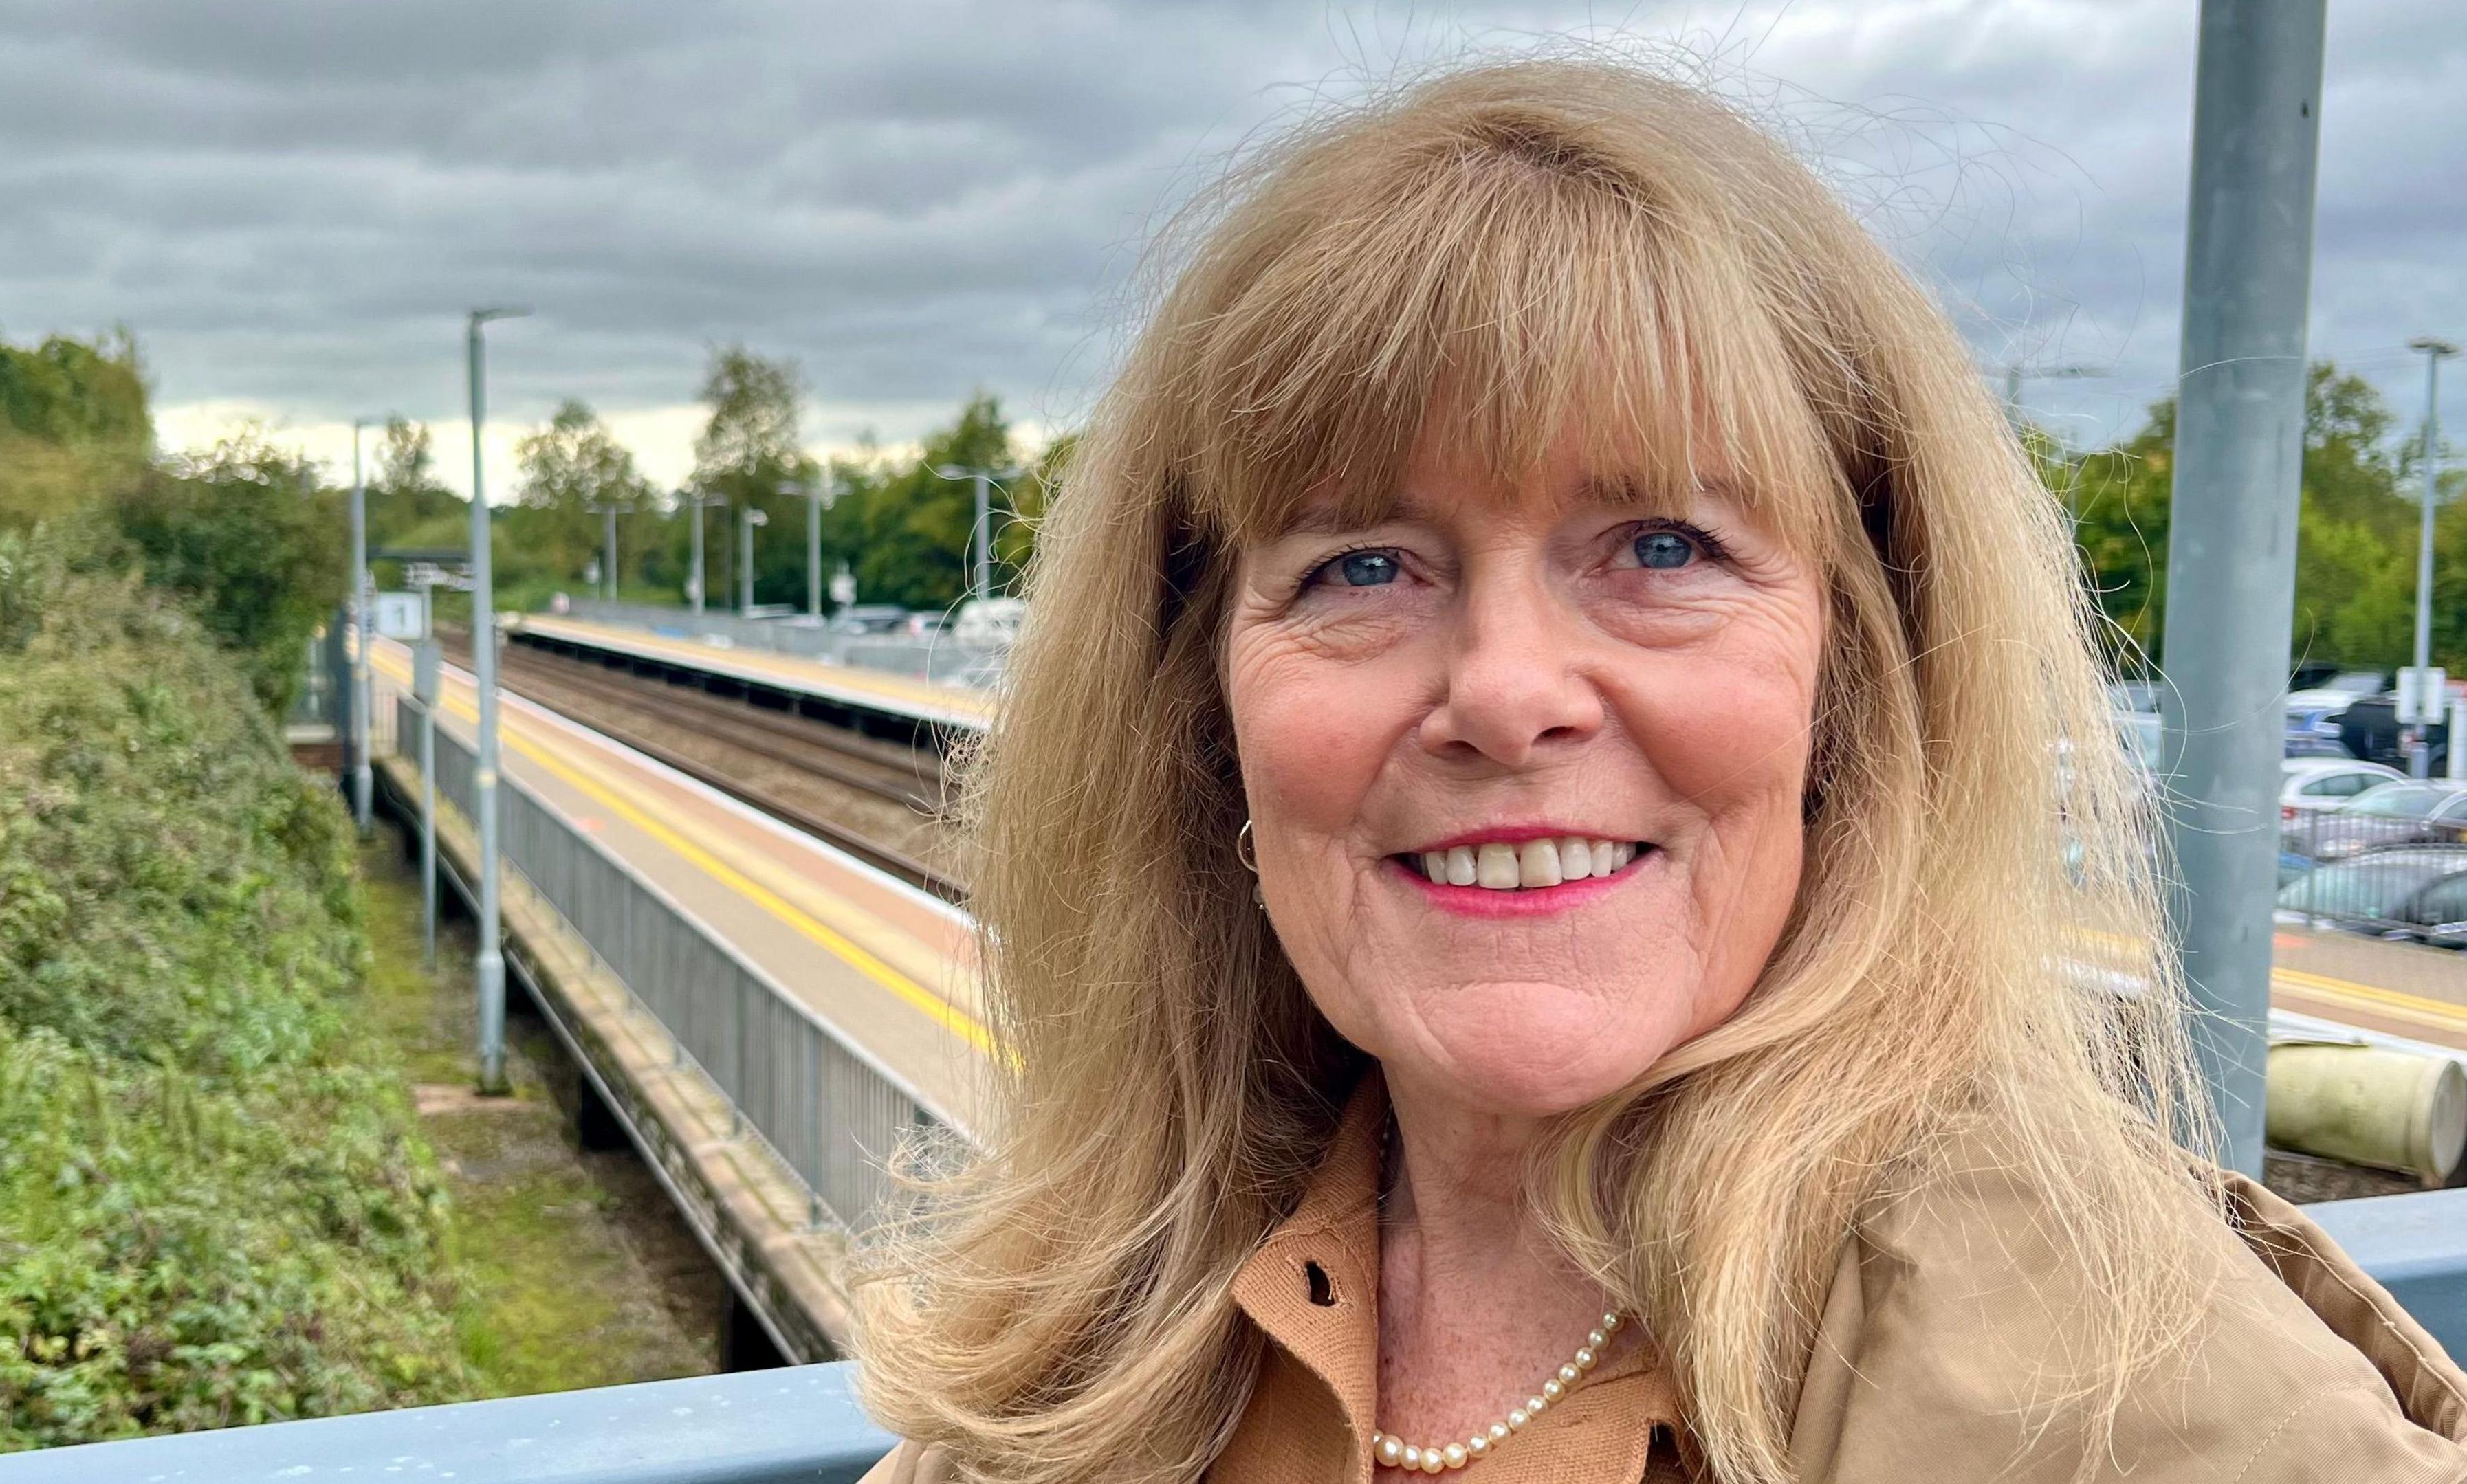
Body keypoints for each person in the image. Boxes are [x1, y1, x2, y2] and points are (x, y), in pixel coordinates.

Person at [852, 58, 2467, 1483]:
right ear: (1199, 714)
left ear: (1862, 681)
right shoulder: (1102, 1339)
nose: (1505, 692)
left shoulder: (2133, 1396)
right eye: (1361, 567)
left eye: (1663, 545)